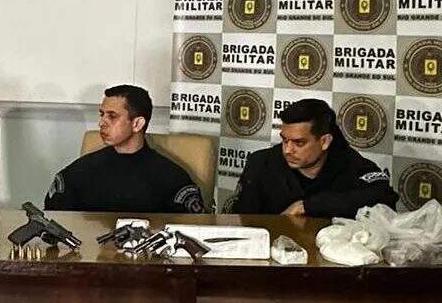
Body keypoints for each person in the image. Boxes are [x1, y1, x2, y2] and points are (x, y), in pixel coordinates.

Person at [45, 84, 204, 213]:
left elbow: (192, 228)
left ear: (137, 124)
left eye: (112, 116)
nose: (101, 123)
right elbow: (54, 216)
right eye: (102, 114)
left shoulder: (172, 179)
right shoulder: (80, 172)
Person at [232, 98, 398, 217]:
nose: (288, 150)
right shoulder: (260, 163)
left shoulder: (351, 164)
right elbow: (242, 221)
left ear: (324, 141)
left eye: (299, 143)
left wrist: (309, 206)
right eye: (284, 140)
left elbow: (385, 198)